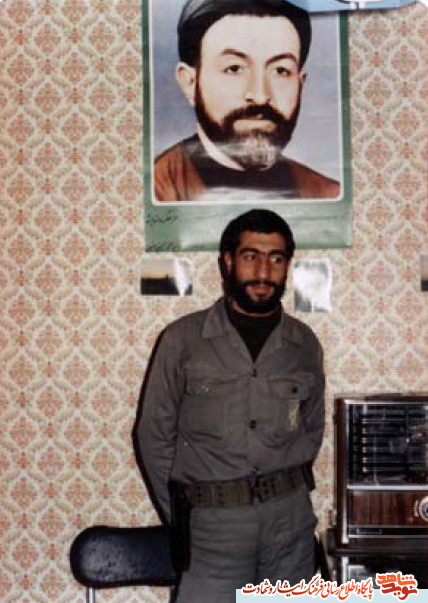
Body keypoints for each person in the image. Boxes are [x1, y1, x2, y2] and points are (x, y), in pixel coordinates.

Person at [133, 209, 325, 603]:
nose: (263, 271)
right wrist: (184, 514)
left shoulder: (304, 344)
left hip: (288, 529)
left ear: (287, 265)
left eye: (276, 258)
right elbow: (153, 435)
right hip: (211, 531)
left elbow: (311, 429)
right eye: (251, 256)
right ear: (227, 261)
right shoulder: (182, 340)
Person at [154, 0, 340, 203]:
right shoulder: (153, 189)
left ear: (300, 84)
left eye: (280, 70)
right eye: (234, 69)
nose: (260, 95)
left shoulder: (328, 193)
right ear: (190, 83)